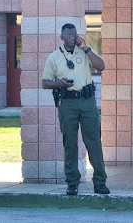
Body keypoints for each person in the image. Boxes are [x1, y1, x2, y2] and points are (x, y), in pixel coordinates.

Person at [42, 23, 110, 196]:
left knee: (93, 141)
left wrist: (86, 48)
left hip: (87, 101)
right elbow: (45, 83)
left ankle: (100, 182)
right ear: (62, 37)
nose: (72, 38)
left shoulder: (85, 51)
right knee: (70, 143)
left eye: (74, 35)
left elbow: (101, 66)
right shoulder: (54, 57)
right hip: (68, 103)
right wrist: (60, 83)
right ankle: (72, 183)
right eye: (68, 36)